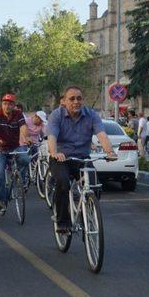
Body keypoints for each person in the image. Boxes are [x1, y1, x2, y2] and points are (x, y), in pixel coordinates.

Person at [46, 86, 117, 233]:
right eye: (71, 99)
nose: (76, 102)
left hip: (82, 158)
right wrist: (54, 153)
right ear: (64, 101)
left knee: (95, 183)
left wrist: (109, 151)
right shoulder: (56, 115)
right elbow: (51, 137)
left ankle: (89, 213)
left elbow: (102, 134)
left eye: (79, 98)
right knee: (63, 183)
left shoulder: (92, 115)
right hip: (61, 159)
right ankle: (62, 221)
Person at [0, 94, 30, 215]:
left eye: (10, 104)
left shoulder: (18, 114)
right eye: (5, 103)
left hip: (15, 146)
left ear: (13, 105)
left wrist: (25, 136)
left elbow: (23, 127)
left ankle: (19, 180)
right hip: (0, 147)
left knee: (25, 159)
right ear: (2, 104)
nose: (7, 106)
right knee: (0, 174)